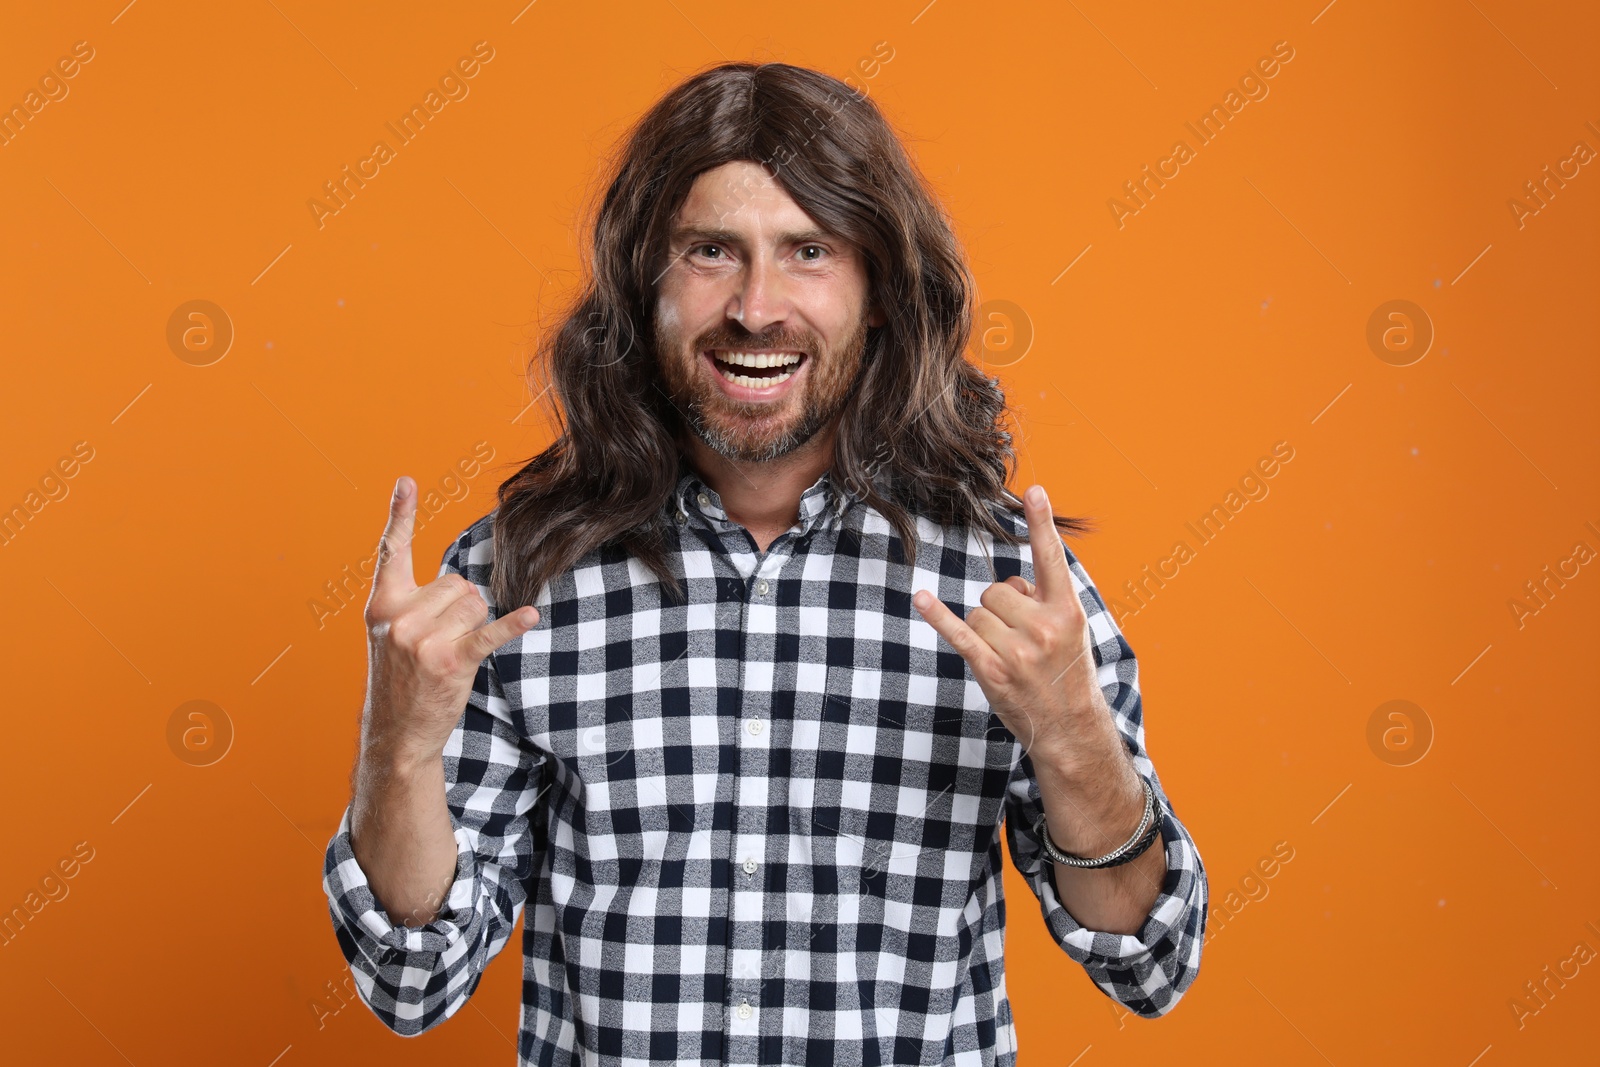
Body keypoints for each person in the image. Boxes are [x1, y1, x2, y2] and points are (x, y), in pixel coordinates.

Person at [322, 61, 1206, 1066]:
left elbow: (1150, 959)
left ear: (877, 291)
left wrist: (1073, 735)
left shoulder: (1006, 585)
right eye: (709, 251)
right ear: (641, 286)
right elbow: (410, 979)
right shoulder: (514, 577)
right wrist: (396, 742)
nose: (755, 306)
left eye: (808, 251)